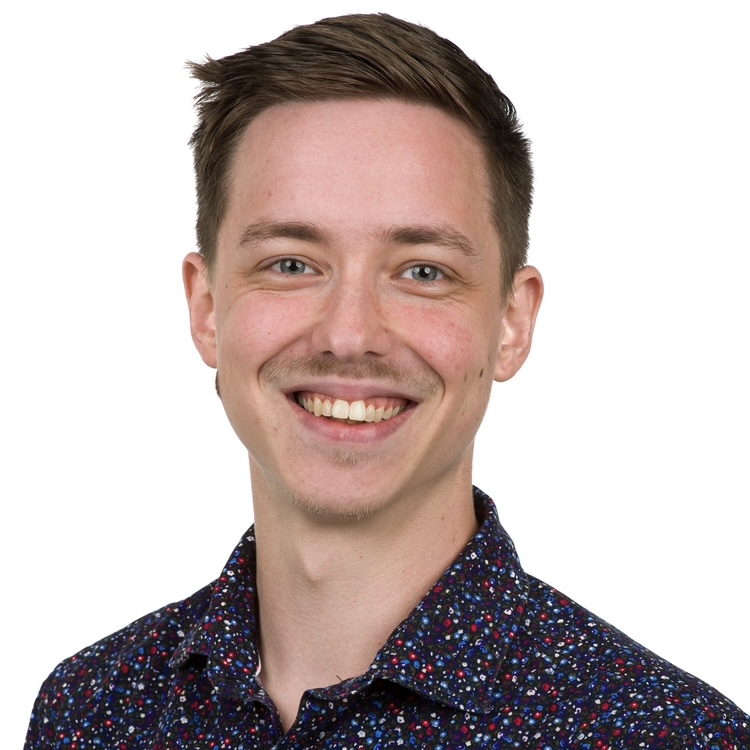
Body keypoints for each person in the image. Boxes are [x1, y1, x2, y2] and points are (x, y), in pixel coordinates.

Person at [24, 13, 748, 749]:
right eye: (291, 264)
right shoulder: (87, 711)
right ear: (207, 308)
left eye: (423, 272)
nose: (349, 335)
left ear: (512, 322)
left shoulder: (674, 736)